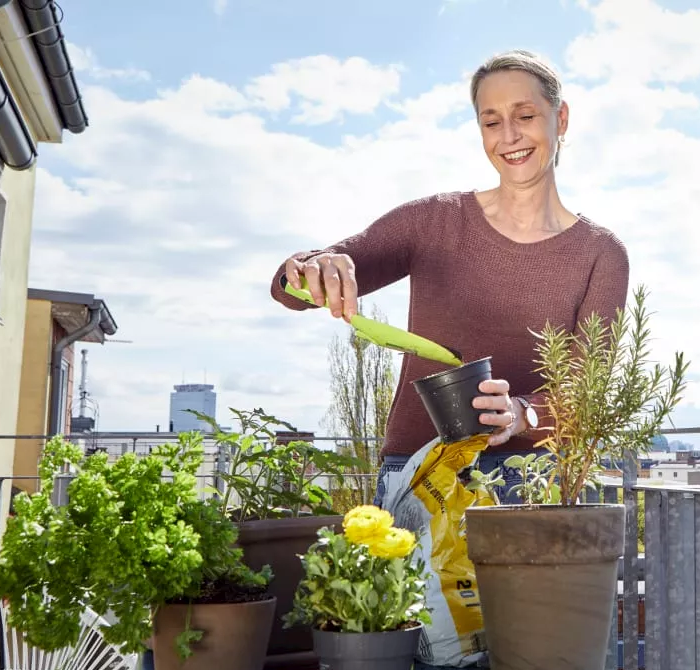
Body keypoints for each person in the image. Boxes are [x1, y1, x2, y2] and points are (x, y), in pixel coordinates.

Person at [269, 49, 629, 502]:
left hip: (532, 480)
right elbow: (290, 291)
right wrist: (313, 268)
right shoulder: (434, 221)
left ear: (562, 118)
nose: (510, 136)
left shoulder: (601, 253)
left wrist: (520, 414)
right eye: (491, 121)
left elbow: (585, 390)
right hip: (419, 470)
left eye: (525, 115)